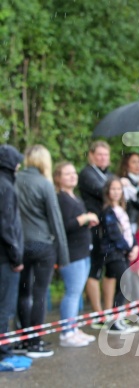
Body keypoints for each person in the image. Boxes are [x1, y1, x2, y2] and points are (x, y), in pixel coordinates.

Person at [14, 145, 69, 358]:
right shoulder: (44, 184)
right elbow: (55, 220)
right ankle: (35, 341)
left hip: (19, 245)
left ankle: (23, 338)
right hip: (42, 246)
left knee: (23, 292)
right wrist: (63, 255)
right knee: (39, 294)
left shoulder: (14, 181)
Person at [54, 162, 99, 348]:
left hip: (83, 249)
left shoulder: (75, 198)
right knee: (72, 293)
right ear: (58, 178)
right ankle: (67, 332)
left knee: (77, 292)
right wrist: (84, 218)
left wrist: (88, 221)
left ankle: (74, 327)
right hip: (71, 253)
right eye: (67, 174)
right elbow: (63, 226)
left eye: (74, 173)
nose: (73, 176)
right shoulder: (61, 199)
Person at [0, 145, 32, 372]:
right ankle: (4, 354)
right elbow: (7, 226)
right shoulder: (5, 188)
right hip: (5, 259)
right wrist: (16, 256)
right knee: (4, 308)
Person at [97, 178, 139, 334]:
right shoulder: (107, 211)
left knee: (122, 285)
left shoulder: (122, 209)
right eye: (113, 189)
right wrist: (129, 249)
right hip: (113, 253)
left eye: (118, 189)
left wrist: (135, 245)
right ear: (108, 192)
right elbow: (114, 235)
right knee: (124, 283)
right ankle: (114, 322)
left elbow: (129, 231)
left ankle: (118, 318)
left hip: (123, 252)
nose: (116, 192)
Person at [79, 141, 114, 316]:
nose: (103, 158)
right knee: (95, 268)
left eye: (106, 155)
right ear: (91, 155)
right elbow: (105, 191)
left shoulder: (108, 174)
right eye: (99, 154)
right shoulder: (87, 173)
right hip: (95, 228)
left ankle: (108, 309)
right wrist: (119, 187)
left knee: (110, 268)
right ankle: (98, 312)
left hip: (109, 227)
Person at [118, 152, 139, 233]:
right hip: (132, 220)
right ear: (126, 165)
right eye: (134, 162)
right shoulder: (124, 181)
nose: (138, 165)